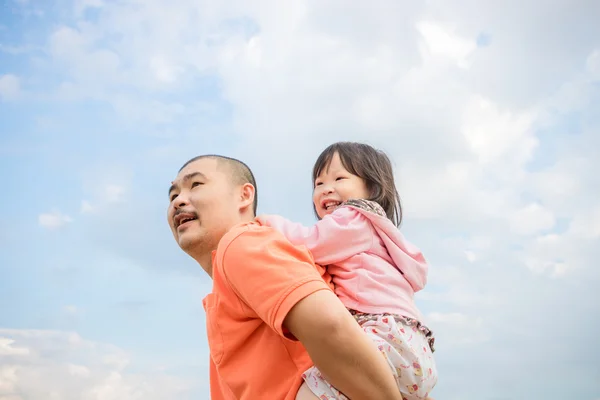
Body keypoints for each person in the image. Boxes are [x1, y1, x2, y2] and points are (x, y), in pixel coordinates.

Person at [166, 154, 408, 400]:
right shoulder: (230, 279)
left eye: (196, 185)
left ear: (244, 195)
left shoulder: (241, 243)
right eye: (173, 195)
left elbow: (330, 326)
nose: (179, 201)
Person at [256, 142, 438, 400]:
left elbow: (309, 243)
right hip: (413, 350)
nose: (326, 188)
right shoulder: (379, 233)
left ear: (371, 188)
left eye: (339, 178)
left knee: (308, 395)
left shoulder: (354, 218)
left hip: (382, 337)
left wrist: (266, 223)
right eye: (318, 184)